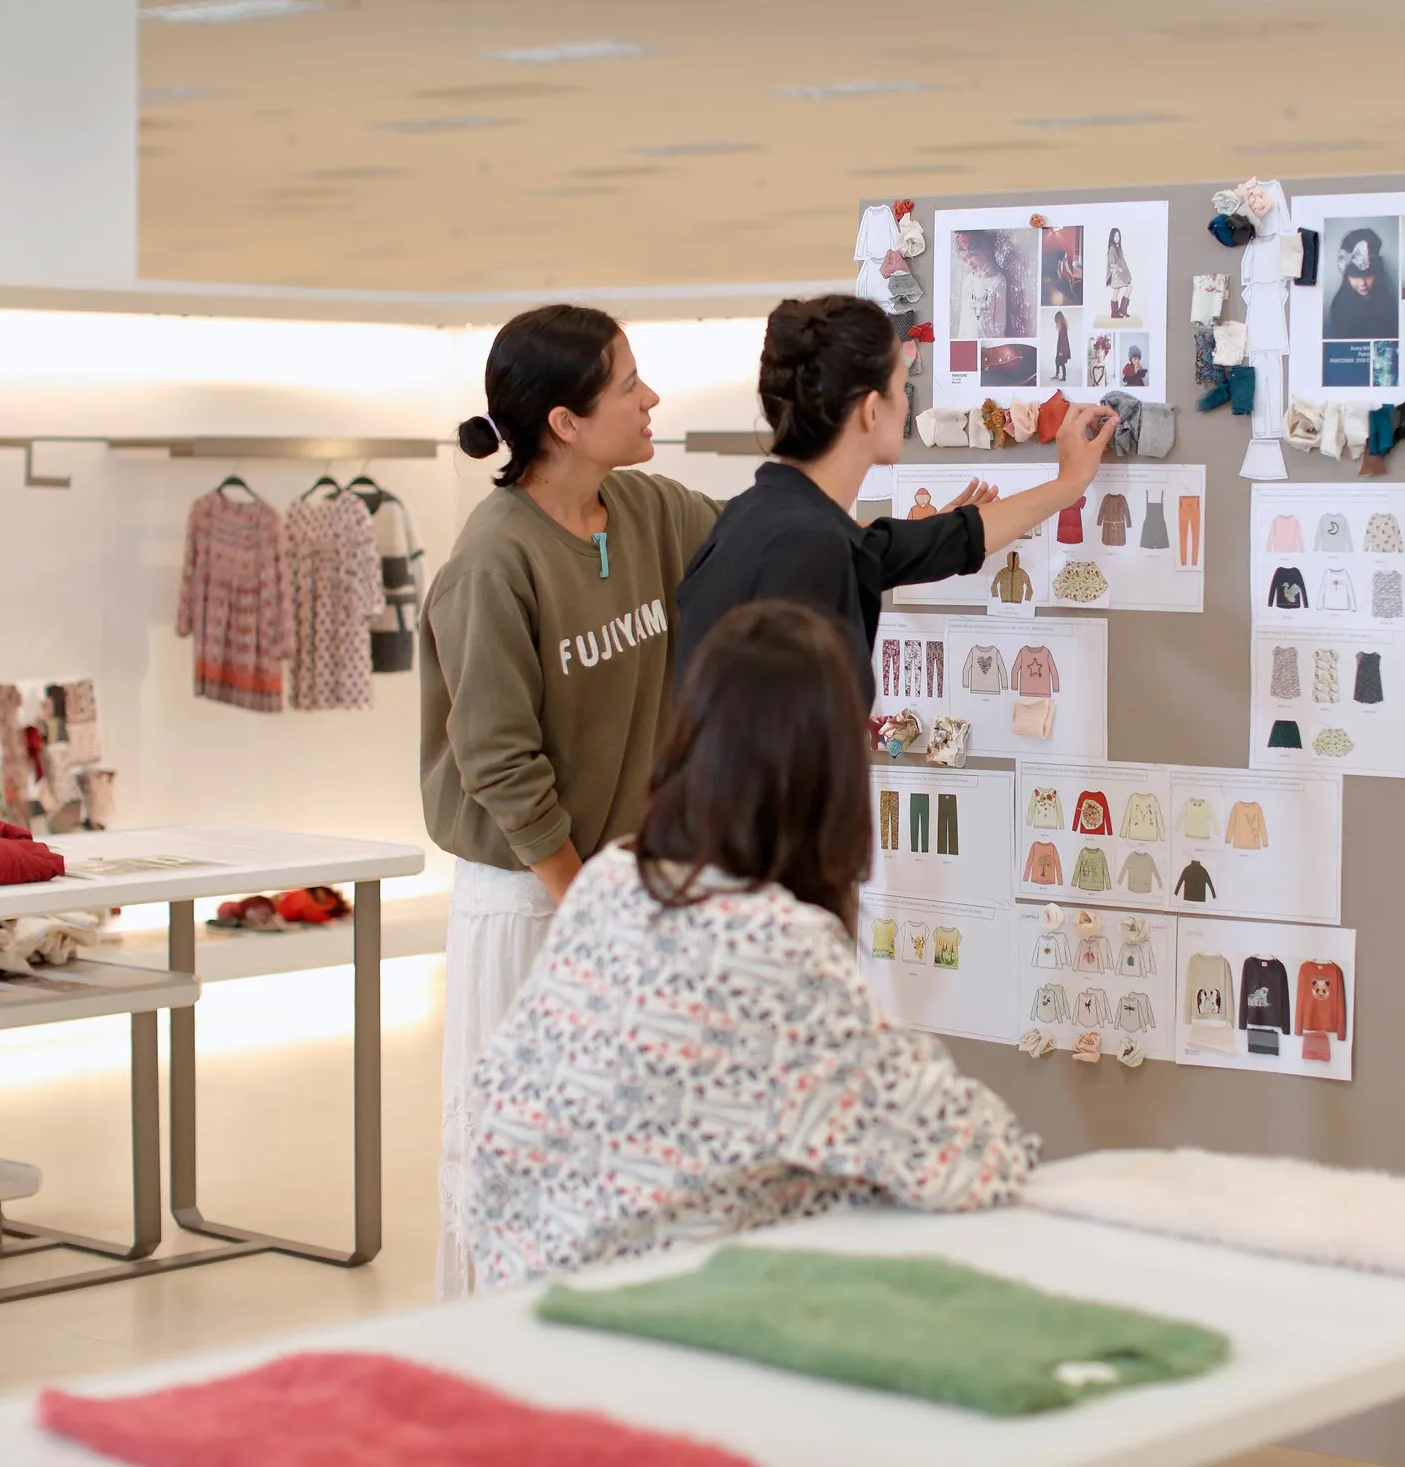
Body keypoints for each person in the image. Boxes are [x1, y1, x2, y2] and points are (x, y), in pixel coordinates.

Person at [458, 602, 1037, 1291]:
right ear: (834, 776)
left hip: (522, 1298)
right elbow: (974, 1156)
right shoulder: (779, 946)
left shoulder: (611, 879)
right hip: (654, 1334)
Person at [419, 303, 723, 1298]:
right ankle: (484, 1384)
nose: (651, 400)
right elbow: (497, 757)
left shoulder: (645, 513)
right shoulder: (492, 561)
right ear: (563, 422)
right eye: (629, 383)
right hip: (527, 890)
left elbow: (763, 544)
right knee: (517, 1154)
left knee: (616, 1151)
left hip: (613, 886)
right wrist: (579, 895)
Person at [674, 294, 1116, 704]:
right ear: (870, 410)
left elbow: (934, 542)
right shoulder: (810, 549)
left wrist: (1068, 484)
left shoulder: (763, 518)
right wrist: (1070, 482)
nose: (906, 405)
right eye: (902, 388)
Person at [1325, 226, 1396, 338]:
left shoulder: (1387, 301)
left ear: (1377, 273)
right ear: (1347, 276)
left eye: (1368, 275)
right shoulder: (1339, 307)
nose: (1362, 282)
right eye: (1355, 276)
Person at [1105, 227, 1132, 319]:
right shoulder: (1112, 248)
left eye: (1118, 236)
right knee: (1118, 290)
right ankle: (1116, 312)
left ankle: (1121, 310)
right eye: (1115, 236)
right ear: (1112, 237)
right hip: (1116, 273)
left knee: (1123, 289)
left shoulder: (1118, 248)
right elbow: (1111, 263)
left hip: (1120, 273)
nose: (1117, 238)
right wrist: (1119, 268)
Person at [1053, 308, 1072, 382]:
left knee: (1061, 362)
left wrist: (1061, 351)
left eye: (1056, 320)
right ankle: (1058, 375)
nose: (1056, 322)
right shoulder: (1062, 326)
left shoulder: (1063, 327)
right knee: (1058, 361)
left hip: (1062, 349)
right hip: (1061, 348)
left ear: (1059, 319)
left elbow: (1063, 340)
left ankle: (1063, 377)